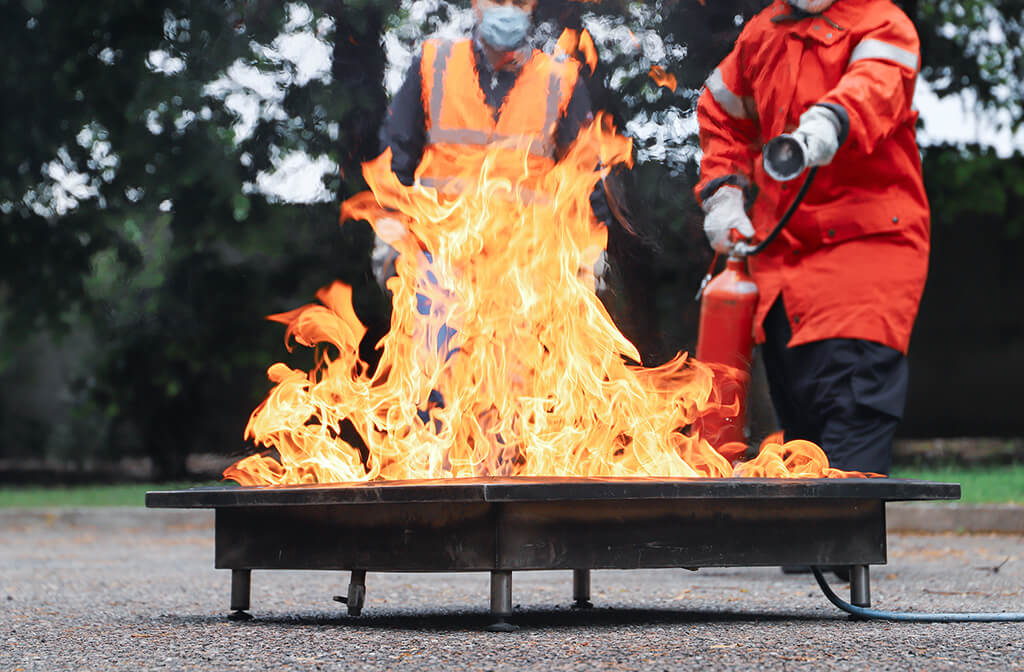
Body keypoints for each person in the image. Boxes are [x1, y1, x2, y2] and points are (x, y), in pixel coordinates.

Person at [694, 0, 930, 475]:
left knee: (848, 438)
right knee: (801, 450)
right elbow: (721, 113)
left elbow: (872, 90)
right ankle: (811, 548)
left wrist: (826, 123)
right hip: (780, 280)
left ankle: (836, 549)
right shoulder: (764, 34)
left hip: (861, 270)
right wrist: (724, 195)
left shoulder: (882, 24)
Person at [372, 0, 613, 291]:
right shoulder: (433, 64)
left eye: (519, 2)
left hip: (528, 273)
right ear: (476, 3)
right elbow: (395, 157)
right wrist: (389, 228)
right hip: (440, 263)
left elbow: (585, 172)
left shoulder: (560, 79)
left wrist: (591, 246)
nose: (508, 8)